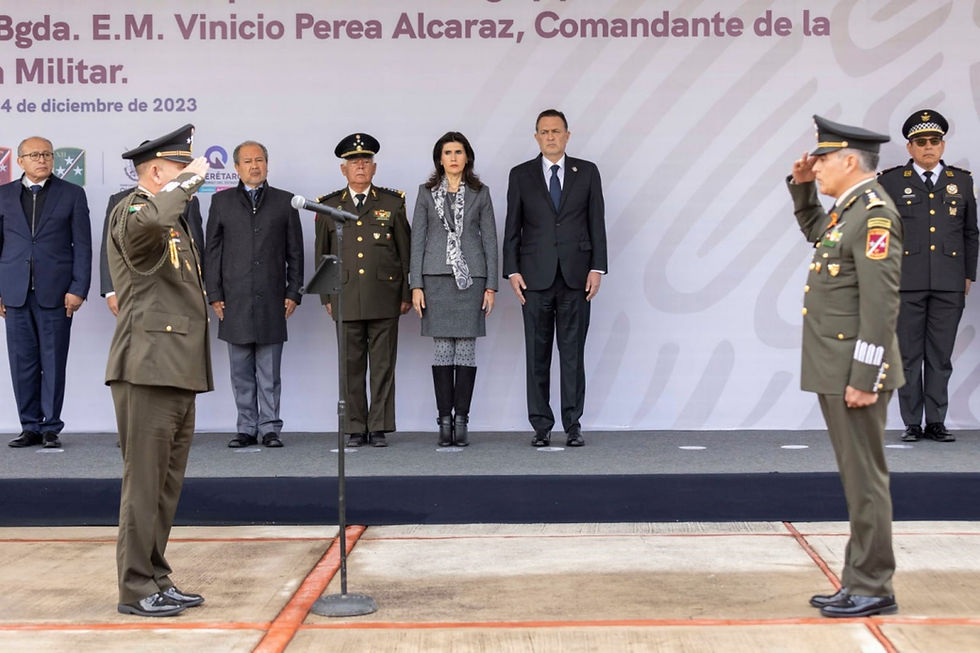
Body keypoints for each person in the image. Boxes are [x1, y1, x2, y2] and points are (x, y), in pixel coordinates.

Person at [788, 115, 903, 618]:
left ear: (850, 161)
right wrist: (802, 190)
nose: (816, 166)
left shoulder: (874, 214)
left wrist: (865, 377)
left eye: (823, 159)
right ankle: (858, 580)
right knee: (856, 479)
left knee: (865, 480)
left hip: (854, 372)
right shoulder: (849, 210)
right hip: (836, 368)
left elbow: (881, 304)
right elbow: (819, 235)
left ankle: (873, 585)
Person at [105, 124, 212, 618]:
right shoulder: (133, 211)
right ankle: (134, 587)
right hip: (146, 366)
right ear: (153, 173)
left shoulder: (170, 216)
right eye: (178, 168)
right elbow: (150, 224)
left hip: (176, 366)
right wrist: (186, 184)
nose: (191, 175)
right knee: (144, 484)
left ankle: (156, 577)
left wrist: (181, 187)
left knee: (166, 486)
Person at [502, 109, 607, 447]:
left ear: (567, 135)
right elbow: (513, 226)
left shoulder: (586, 172)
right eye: (544, 132)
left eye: (556, 131)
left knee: (573, 355)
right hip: (534, 278)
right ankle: (541, 426)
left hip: (577, 277)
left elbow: (597, 221)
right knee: (537, 354)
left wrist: (597, 267)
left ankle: (573, 425)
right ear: (536, 137)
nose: (550, 136)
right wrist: (512, 270)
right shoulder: (521, 174)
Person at [877, 109, 978, 443]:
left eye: (934, 140)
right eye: (921, 142)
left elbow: (970, 232)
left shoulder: (962, 181)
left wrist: (968, 274)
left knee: (940, 356)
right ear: (910, 148)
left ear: (943, 144)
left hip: (949, 282)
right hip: (905, 281)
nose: (928, 147)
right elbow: (880, 233)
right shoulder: (890, 181)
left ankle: (936, 421)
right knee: (908, 356)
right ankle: (912, 423)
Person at [313, 133, 411, 448]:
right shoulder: (329, 205)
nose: (360, 167)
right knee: (350, 366)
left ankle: (379, 425)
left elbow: (405, 252)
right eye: (354, 162)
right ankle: (355, 426)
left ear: (374, 168)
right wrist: (327, 297)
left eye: (365, 162)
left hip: (385, 295)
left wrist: (406, 293)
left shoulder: (393, 203)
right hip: (345, 296)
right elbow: (323, 255)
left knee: (383, 365)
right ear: (343, 169)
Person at [205, 141, 304, 448]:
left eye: (259, 160)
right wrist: (214, 294)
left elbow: (296, 253)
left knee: (269, 372)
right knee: (240, 372)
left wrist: (293, 292)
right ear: (236, 168)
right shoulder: (221, 202)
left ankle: (270, 427)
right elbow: (212, 253)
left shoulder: (285, 201)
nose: (254, 166)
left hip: (273, 299)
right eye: (247, 161)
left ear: (267, 164)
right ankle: (246, 427)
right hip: (233, 300)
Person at [0, 136, 92, 449]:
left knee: (53, 362)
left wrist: (78, 288)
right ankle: (29, 427)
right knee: (22, 363)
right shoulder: (4, 195)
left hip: (57, 294)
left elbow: (82, 245)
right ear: (20, 161)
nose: (42, 159)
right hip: (15, 294)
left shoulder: (72, 194)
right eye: (35, 155)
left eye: (47, 154)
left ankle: (51, 427)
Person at [410, 132, 498, 447]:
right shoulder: (425, 193)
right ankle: (443, 420)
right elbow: (417, 239)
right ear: (440, 158)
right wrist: (416, 284)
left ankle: (462, 419)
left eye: (458, 152)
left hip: (471, 279)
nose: (453, 158)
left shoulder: (480, 193)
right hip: (435, 277)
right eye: (447, 152)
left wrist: (491, 285)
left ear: (467, 157)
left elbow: (490, 239)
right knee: (442, 349)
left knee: (466, 349)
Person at [101, 189, 205, 316]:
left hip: (175, 286)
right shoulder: (120, 200)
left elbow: (196, 248)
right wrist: (111, 291)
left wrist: (195, 287)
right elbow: (109, 247)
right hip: (132, 288)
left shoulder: (186, 200)